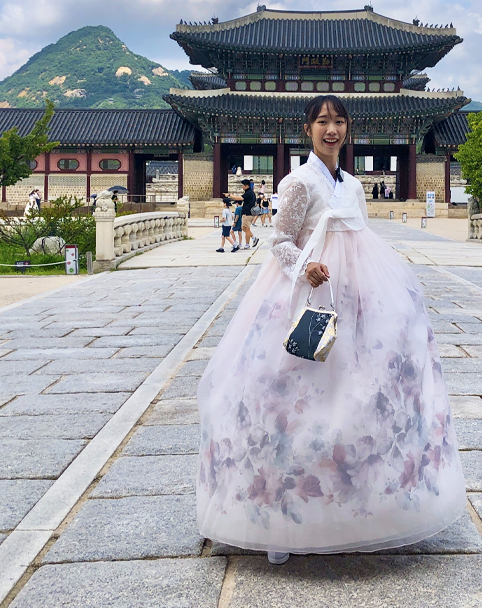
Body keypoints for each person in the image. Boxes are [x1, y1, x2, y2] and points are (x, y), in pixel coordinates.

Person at [197, 95, 465, 565]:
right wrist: (304, 265)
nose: (332, 129)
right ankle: (283, 511)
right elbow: (277, 240)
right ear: (308, 129)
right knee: (294, 396)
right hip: (307, 299)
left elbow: (360, 240)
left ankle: (366, 507)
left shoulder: (354, 186)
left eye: (339, 121)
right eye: (323, 121)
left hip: (354, 298)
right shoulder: (298, 181)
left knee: (363, 393)